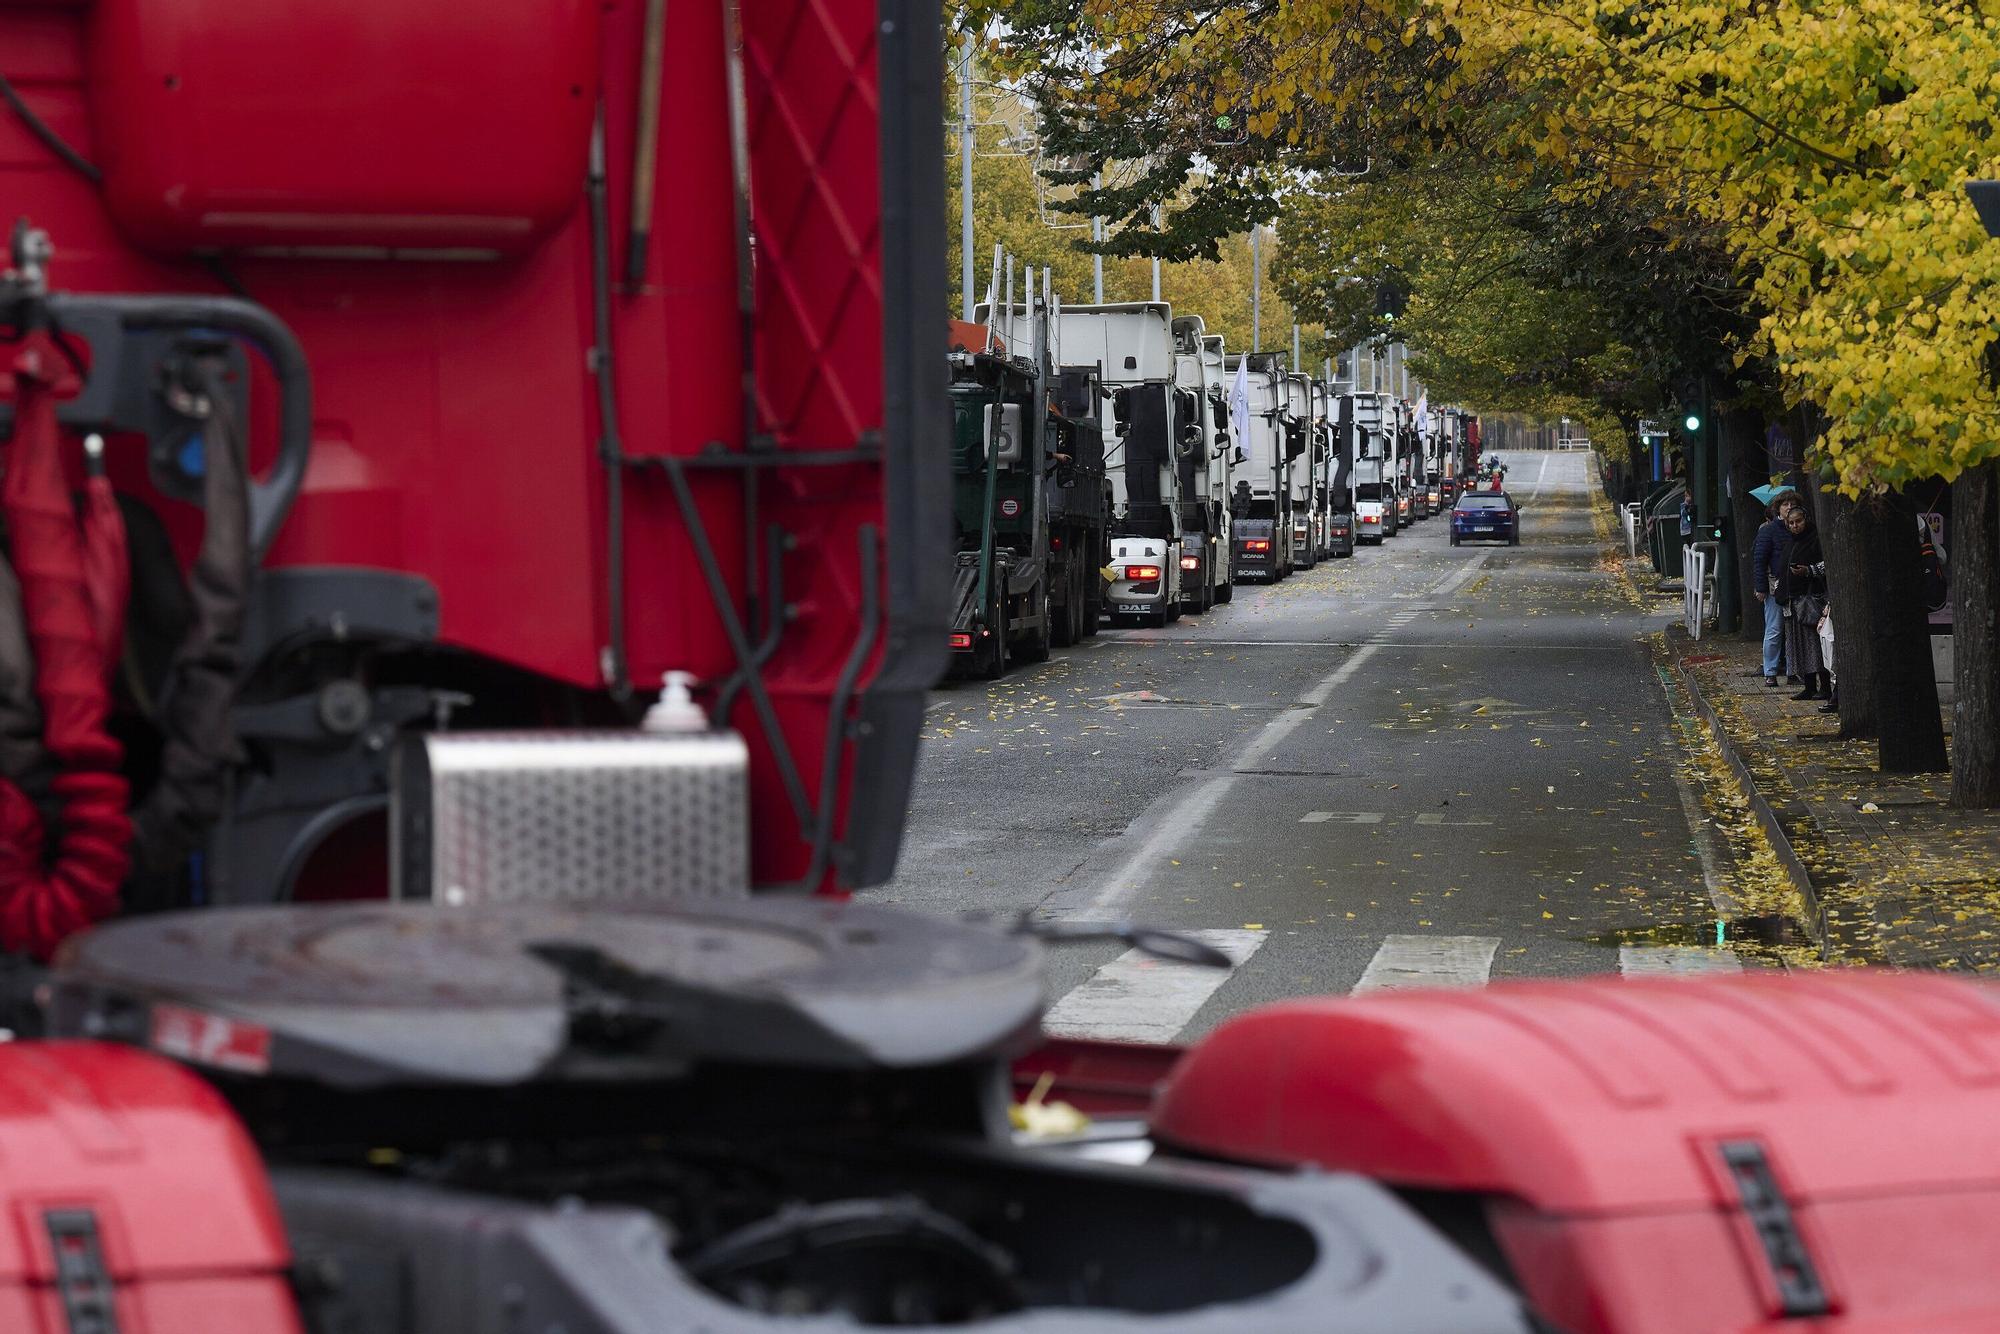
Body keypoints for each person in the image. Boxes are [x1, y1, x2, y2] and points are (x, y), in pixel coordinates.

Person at [1776, 503, 1830, 700]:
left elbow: (1826, 565)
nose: (1795, 526)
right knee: (1798, 645)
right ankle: (1809, 685)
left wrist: (1809, 571)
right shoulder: (1790, 543)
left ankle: (1824, 686)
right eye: (1791, 523)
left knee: (1815, 644)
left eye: (1798, 521)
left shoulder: (1815, 540)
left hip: (1810, 600)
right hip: (1792, 601)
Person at [1751, 493, 1794, 686]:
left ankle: (1794, 670)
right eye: (1785, 504)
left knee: (1794, 630)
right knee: (1775, 629)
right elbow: (1759, 560)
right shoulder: (1768, 531)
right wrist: (1761, 587)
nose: (1789, 507)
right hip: (1775, 586)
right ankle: (1770, 670)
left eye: (1792, 504)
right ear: (1778, 508)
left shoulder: (1797, 530)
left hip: (1796, 584)